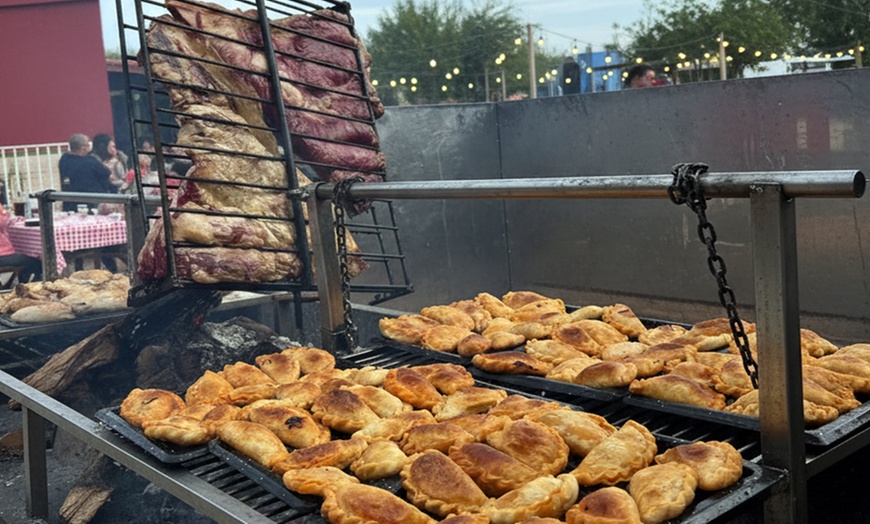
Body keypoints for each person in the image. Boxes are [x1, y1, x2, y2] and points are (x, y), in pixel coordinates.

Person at [59, 134, 117, 212]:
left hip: (70, 202)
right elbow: (108, 175)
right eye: (88, 145)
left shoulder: (64, 159)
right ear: (83, 147)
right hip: (92, 203)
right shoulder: (90, 161)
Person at [0, 207, 42, 284]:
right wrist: (6, 214)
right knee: (36, 263)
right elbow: (3, 223)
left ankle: (19, 285)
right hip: (2, 255)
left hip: (4, 253)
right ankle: (28, 288)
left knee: (27, 259)